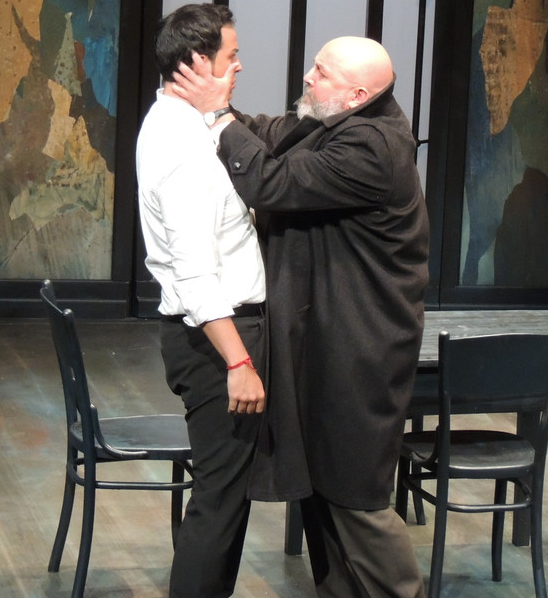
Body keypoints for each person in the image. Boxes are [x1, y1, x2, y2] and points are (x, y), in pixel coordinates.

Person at [174, 35, 430, 598]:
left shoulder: (373, 147)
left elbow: (272, 182)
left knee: (354, 493)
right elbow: (272, 134)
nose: (309, 77)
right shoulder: (337, 120)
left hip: (360, 347)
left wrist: (217, 115)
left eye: (322, 72)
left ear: (358, 94)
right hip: (326, 339)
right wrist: (217, 104)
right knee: (324, 488)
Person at [134, 3, 267, 598]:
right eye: (230, 56)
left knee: (228, 496)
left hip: (221, 336)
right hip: (217, 342)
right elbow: (194, 271)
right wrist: (238, 361)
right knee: (219, 498)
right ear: (196, 62)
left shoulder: (189, 125)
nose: (239, 66)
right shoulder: (180, 143)